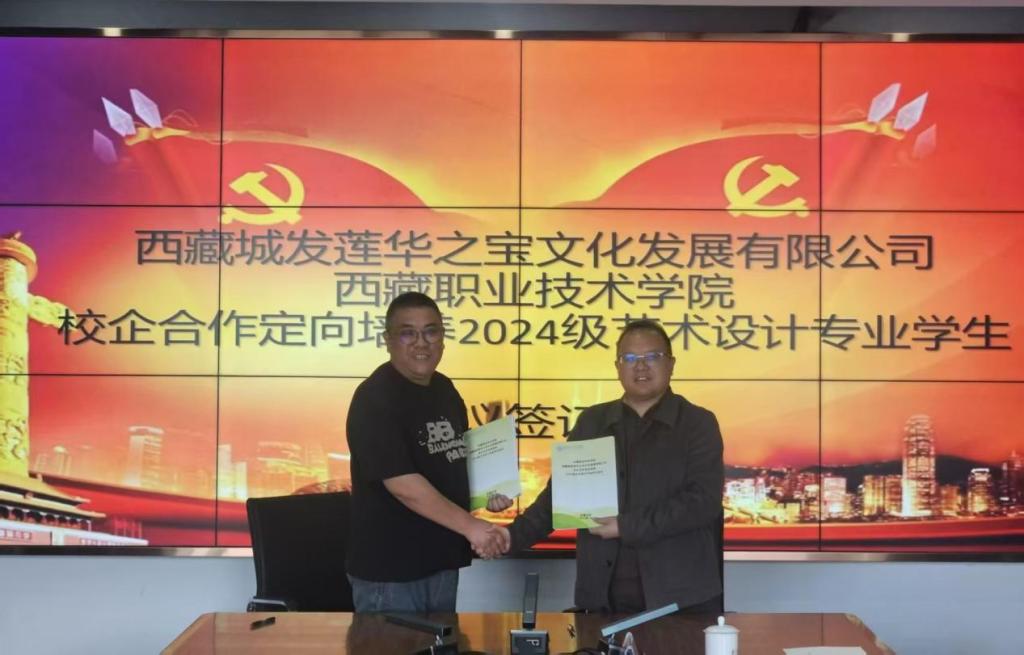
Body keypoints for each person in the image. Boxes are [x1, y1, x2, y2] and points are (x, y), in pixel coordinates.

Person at [497, 319, 724, 613]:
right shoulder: (592, 422)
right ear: (617, 366)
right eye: (629, 358)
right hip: (603, 597)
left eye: (652, 356)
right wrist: (510, 536)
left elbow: (702, 502)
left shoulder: (697, 423)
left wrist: (625, 526)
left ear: (671, 364)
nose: (640, 366)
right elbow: (560, 498)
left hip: (680, 598)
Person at [346, 292, 511, 613]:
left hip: (441, 559)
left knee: (441, 640)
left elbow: (453, 461)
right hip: (392, 571)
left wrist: (489, 491)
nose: (421, 343)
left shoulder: (444, 390)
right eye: (408, 333)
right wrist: (471, 527)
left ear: (443, 339)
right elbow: (403, 485)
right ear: (388, 340)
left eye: (431, 331)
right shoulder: (374, 398)